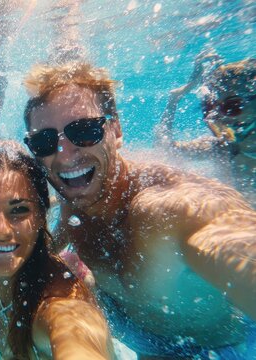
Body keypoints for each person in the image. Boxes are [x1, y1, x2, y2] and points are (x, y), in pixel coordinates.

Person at [22, 62, 256, 358]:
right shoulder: (76, 193)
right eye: (44, 141)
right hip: (137, 334)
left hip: (220, 347)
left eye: (84, 131)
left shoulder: (168, 210)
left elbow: (231, 239)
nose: (64, 155)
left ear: (115, 129)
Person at [0, 148, 113, 359]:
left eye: (19, 210)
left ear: (40, 216)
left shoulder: (56, 309)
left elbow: (75, 340)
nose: (0, 231)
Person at [155, 53, 256, 194]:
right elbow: (166, 148)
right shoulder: (223, 148)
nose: (222, 118)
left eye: (232, 107)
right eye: (216, 108)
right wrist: (174, 99)